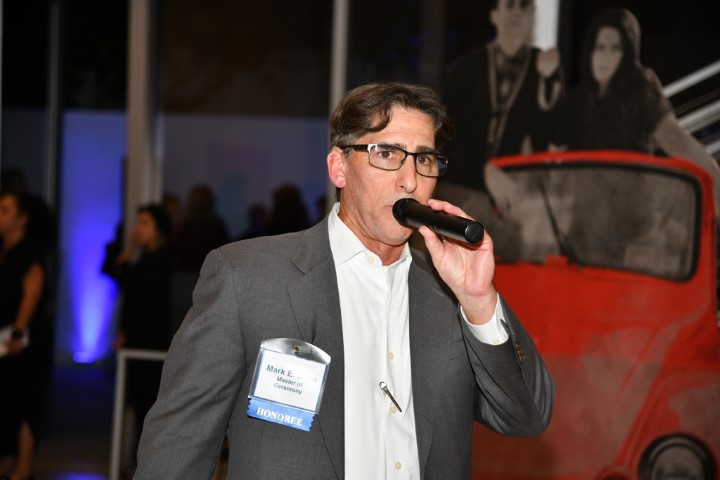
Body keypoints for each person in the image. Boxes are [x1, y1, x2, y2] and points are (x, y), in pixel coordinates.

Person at [134, 82, 555, 479]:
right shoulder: (247, 279)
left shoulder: (452, 293)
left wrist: (479, 301)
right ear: (339, 168)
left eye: (424, 159)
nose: (410, 180)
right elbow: (178, 448)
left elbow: (528, 416)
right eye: (387, 153)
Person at [550, 7, 720, 214]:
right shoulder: (576, 101)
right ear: (589, 52)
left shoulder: (640, 89)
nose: (605, 57)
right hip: (584, 217)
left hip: (634, 217)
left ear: (627, 54)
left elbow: (676, 140)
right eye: (600, 47)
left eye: (615, 48)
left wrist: (717, 188)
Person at [440, 0, 563, 211]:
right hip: (465, 188)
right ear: (494, 15)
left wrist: (549, 79)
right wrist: (483, 172)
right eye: (510, 5)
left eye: (524, 6)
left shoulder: (543, 66)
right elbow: (446, 140)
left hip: (519, 194)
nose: (517, 12)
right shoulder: (465, 69)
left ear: (532, 15)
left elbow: (552, 137)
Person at [104, 203, 174, 476]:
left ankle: (144, 465)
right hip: (137, 343)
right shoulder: (144, 259)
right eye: (138, 223)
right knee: (138, 405)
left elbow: (146, 304)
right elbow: (113, 271)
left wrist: (126, 333)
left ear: (159, 228)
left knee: (147, 405)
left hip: (149, 344)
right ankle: (137, 464)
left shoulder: (163, 260)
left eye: (145, 223)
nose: (138, 229)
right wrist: (131, 247)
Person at [0, 192, 53, 480]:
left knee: (23, 402)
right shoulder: (5, 249)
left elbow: (31, 294)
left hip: (24, 340)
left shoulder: (29, 251)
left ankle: (23, 467)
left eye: (5, 209)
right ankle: (7, 460)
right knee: (6, 400)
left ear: (22, 219)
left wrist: (19, 331)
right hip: (4, 339)